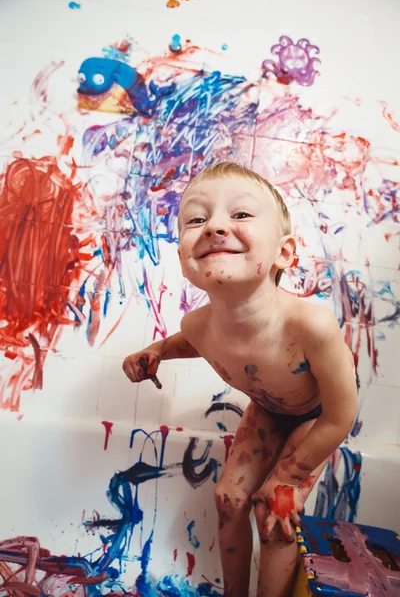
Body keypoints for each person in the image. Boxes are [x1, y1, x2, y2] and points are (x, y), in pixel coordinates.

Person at [122, 161, 358, 597]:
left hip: (319, 420)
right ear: (182, 259)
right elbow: (186, 342)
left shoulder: (311, 326)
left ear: (284, 254)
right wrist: (155, 352)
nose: (214, 227)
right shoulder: (198, 325)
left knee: (274, 509)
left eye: (241, 215)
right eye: (197, 218)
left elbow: (343, 415)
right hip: (270, 408)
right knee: (229, 499)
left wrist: (287, 476)